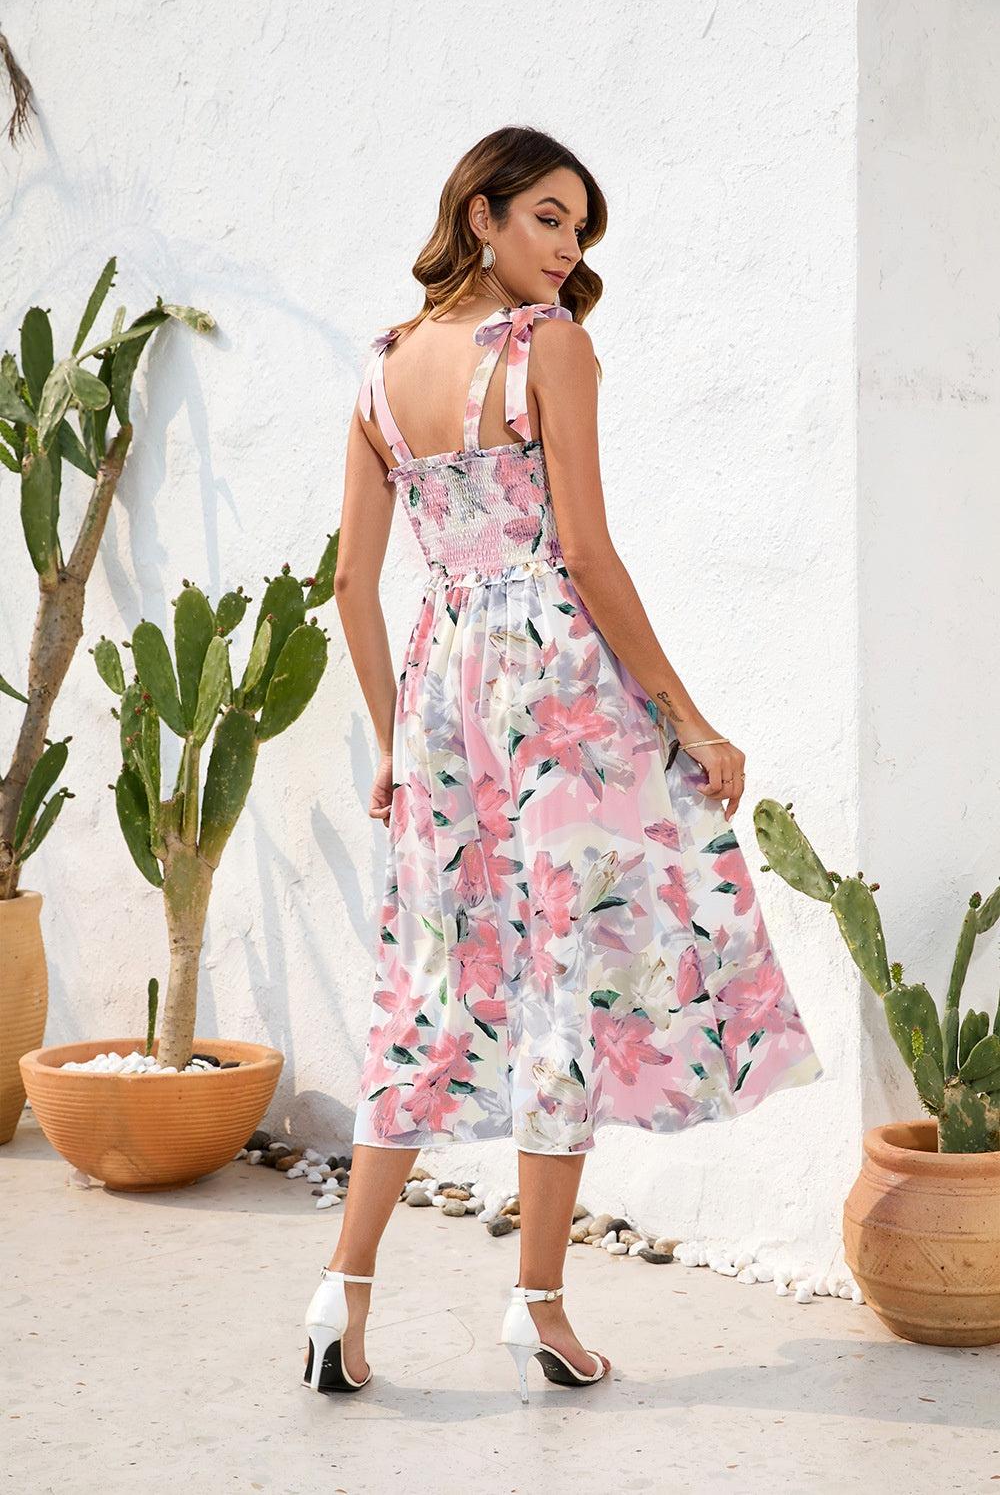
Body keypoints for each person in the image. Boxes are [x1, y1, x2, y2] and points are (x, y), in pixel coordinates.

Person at [303, 125, 823, 1401]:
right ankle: (534, 1305)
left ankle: (341, 1294)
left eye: (579, 228)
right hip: (553, 692)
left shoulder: (380, 375)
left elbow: (354, 588)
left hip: (438, 696)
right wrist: (691, 720)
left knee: (429, 984)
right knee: (566, 978)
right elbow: (584, 555)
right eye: (546, 216)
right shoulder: (549, 349)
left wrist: (389, 739)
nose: (567, 247)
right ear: (479, 216)